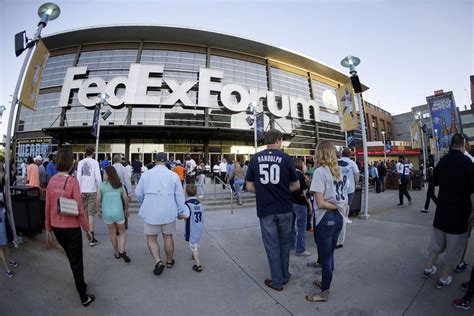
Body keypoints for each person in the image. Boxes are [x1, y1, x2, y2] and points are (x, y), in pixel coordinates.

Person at [245, 129, 300, 291]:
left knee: (272, 246)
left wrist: (264, 191)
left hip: (266, 209)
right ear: (278, 140)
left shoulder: (255, 158)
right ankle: (284, 275)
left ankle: (277, 281)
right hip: (285, 207)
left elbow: (248, 186)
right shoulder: (286, 158)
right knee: (284, 244)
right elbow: (296, 185)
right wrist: (282, 190)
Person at [423, 134, 474, 289]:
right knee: (454, 248)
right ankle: (444, 278)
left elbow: (434, 182)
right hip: (459, 214)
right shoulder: (467, 162)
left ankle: (428, 268)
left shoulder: (443, 161)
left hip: (442, 211)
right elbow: (473, 190)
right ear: (463, 144)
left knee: (436, 244)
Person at [45, 148, 95, 306]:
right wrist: (87, 230)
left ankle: (81, 284)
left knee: (72, 259)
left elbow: (47, 207)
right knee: (76, 262)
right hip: (71, 229)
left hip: (57, 228)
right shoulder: (73, 182)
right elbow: (80, 210)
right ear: (71, 162)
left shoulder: (52, 180)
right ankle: (83, 296)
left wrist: (48, 229)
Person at [306, 140, 348, 302]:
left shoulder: (320, 171)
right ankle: (325, 282)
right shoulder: (337, 171)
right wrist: (337, 205)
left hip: (326, 217)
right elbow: (340, 198)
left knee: (326, 257)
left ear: (319, 153)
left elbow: (321, 203)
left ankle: (324, 292)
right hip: (338, 217)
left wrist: (334, 205)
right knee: (329, 255)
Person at [135, 152, 187, 276]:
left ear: (155, 161)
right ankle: (169, 261)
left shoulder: (147, 174)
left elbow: (138, 193)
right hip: (168, 210)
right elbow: (179, 195)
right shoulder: (173, 175)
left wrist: (144, 201)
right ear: (166, 162)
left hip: (151, 211)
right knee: (168, 237)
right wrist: (181, 211)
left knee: (152, 238)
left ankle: (158, 261)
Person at [97, 166, 130, 263]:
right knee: (122, 232)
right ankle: (122, 250)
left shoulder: (101, 185)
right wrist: (126, 209)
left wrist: (98, 210)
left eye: (104, 173)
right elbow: (126, 198)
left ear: (108, 175)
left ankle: (116, 252)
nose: (103, 175)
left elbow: (98, 199)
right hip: (119, 212)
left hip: (107, 213)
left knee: (112, 233)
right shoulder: (120, 185)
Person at [76, 146, 102, 247]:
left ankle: (87, 230)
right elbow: (98, 177)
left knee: (85, 212)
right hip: (92, 190)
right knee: (91, 213)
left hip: (82, 189)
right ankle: (91, 234)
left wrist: (79, 189)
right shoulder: (95, 162)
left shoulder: (80, 163)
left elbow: (78, 176)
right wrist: (100, 189)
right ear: (93, 153)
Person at [180, 184, 204, 272]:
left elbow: (186, 216)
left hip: (191, 228)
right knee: (196, 242)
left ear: (186, 193)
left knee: (193, 246)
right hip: (199, 226)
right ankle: (194, 255)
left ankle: (198, 265)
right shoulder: (200, 204)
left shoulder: (187, 204)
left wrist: (179, 216)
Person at [0, 158, 17, 278]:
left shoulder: (3, 177)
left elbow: (5, 194)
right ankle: (7, 268)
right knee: (2, 243)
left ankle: (9, 260)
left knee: (5, 241)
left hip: (2, 212)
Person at [291, 158, 311, 256]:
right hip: (300, 203)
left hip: (290, 202)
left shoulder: (289, 174)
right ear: (300, 165)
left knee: (290, 226)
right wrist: (310, 206)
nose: (305, 166)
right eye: (303, 164)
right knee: (301, 227)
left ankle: (290, 245)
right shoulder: (301, 176)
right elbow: (305, 193)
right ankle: (300, 249)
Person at [339, 148, 359, 225]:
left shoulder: (337, 162)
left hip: (338, 187)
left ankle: (340, 217)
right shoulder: (352, 163)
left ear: (342, 154)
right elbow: (357, 175)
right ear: (350, 154)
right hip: (350, 187)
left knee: (339, 203)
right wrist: (356, 184)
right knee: (347, 204)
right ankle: (345, 218)